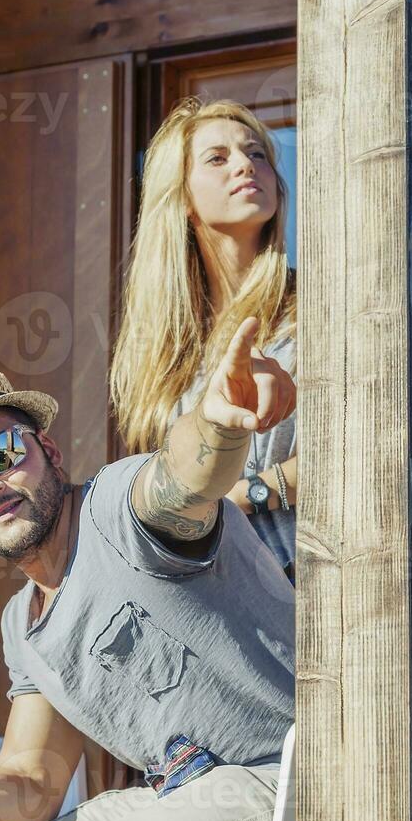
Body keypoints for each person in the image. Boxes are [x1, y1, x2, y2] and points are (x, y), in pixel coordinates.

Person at [0, 318, 295, 821]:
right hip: (187, 796)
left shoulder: (118, 508)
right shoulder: (24, 626)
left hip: (293, 773)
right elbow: (30, 789)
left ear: (49, 451)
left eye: (1, 452)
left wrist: (217, 426)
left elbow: (180, 481)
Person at [110, 97, 298, 579]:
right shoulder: (163, 350)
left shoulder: (319, 309)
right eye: (218, 158)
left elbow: (371, 448)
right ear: (184, 200)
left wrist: (251, 493)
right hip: (210, 594)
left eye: (257, 154)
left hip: (315, 584)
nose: (245, 165)